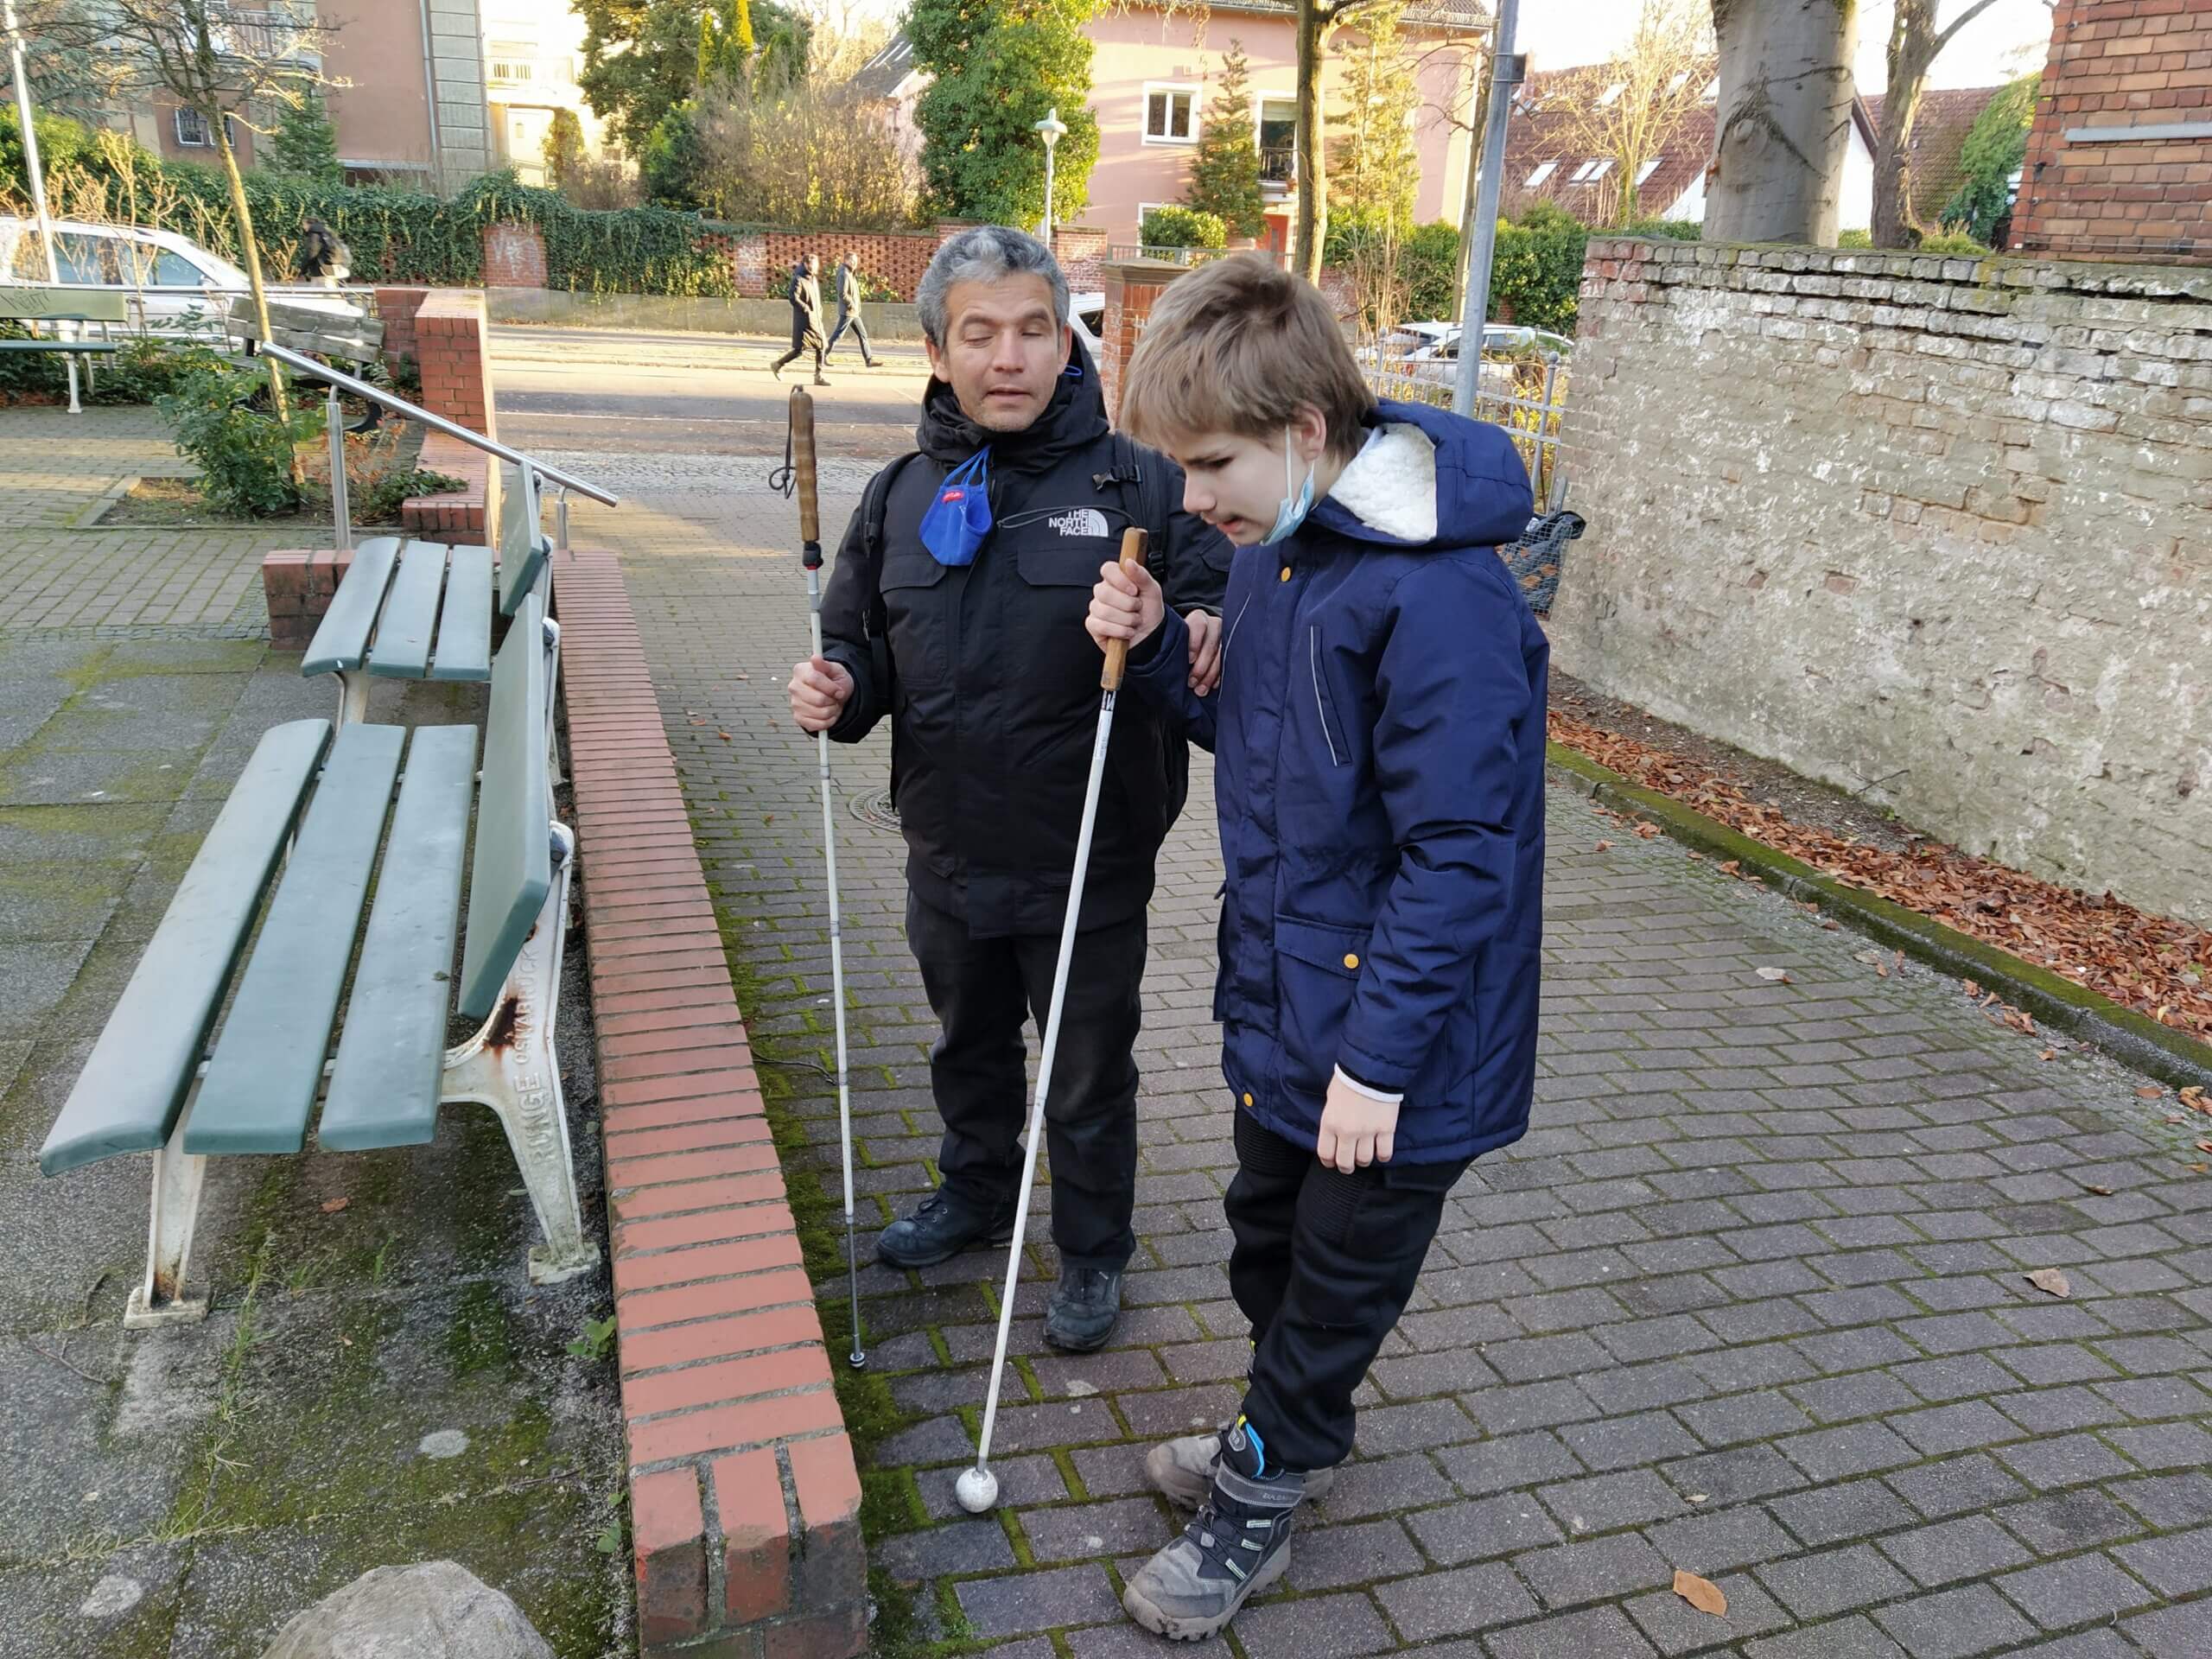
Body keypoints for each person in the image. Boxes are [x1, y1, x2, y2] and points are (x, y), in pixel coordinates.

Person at [1082, 253, 1545, 1642]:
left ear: (1303, 431)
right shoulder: (1285, 555)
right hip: (1292, 999)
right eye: (1178, 469)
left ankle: (1264, 1489)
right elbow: (1269, 743)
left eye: (1210, 463)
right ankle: (1283, 1433)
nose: (1193, 500)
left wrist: (1378, 1066)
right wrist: (1167, 649)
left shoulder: (1443, 601)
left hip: (1396, 1044)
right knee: (1265, 1243)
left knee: (1337, 1283)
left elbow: (1461, 853)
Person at [786, 226, 1232, 1353]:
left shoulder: (1143, 484)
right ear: (938, 351)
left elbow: (1229, 636)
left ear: (1066, 340)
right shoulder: (896, 497)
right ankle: (976, 1195)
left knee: (1084, 1075)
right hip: (945, 849)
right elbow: (862, 650)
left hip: (1087, 852)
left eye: (1035, 330)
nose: (1009, 358)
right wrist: (838, 688)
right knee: (966, 1048)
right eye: (979, 333)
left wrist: (1179, 628)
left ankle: (1091, 1252)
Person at [772, 251, 830, 385]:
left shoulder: (813, 279)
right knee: (799, 350)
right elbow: (793, 298)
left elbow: (816, 298)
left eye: (817, 264)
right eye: (814, 264)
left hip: (815, 319)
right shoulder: (799, 279)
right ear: (806, 264)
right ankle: (778, 364)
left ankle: (818, 376)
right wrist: (806, 309)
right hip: (804, 321)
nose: (817, 267)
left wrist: (818, 310)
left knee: (822, 345)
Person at [823, 251, 879, 368]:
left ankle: (869, 360)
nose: (855, 263)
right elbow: (842, 294)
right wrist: (852, 304)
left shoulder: (850, 273)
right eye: (852, 261)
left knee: (863, 335)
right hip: (848, 311)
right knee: (838, 335)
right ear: (846, 260)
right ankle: (822, 355)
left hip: (854, 312)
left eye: (856, 261)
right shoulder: (843, 273)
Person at [296, 217, 351, 287]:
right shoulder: (325, 232)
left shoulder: (315, 233)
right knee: (321, 293)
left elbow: (311, 253)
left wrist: (302, 269)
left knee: (324, 294)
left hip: (322, 270)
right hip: (330, 268)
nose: (303, 227)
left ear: (309, 224)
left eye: (304, 224)